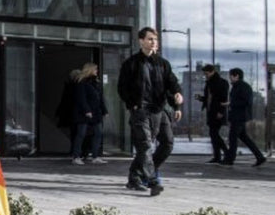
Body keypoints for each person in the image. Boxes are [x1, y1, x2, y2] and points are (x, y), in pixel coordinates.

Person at [117, 27, 183, 196]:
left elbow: (172, 84)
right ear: (141, 41)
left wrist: (176, 100)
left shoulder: (162, 63)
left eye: (155, 39)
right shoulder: (131, 63)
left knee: (167, 144)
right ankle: (152, 181)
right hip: (140, 110)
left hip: (159, 111)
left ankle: (136, 176)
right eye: (150, 39)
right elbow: (122, 88)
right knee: (145, 145)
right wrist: (133, 105)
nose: (154, 42)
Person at [221, 67, 267, 167]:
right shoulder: (238, 86)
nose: (230, 78)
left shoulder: (243, 87)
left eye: (231, 76)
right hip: (238, 116)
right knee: (244, 138)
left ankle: (230, 159)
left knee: (233, 138)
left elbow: (246, 101)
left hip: (239, 116)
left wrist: (230, 103)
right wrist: (230, 104)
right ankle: (260, 157)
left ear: (236, 76)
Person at [70, 63, 108, 164]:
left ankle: (95, 156)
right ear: (89, 70)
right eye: (95, 69)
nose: (97, 71)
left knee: (98, 133)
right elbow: (81, 98)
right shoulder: (82, 82)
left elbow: (100, 98)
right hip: (83, 113)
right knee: (81, 134)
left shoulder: (96, 82)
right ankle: (76, 156)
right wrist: (87, 110)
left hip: (96, 112)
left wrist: (104, 110)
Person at [195, 64, 229, 163]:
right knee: (213, 134)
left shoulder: (221, 83)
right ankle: (218, 156)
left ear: (212, 72)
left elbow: (224, 98)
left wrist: (221, 111)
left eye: (207, 73)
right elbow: (209, 98)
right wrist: (201, 98)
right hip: (211, 111)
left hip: (217, 112)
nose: (205, 75)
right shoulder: (210, 83)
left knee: (214, 134)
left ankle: (225, 152)